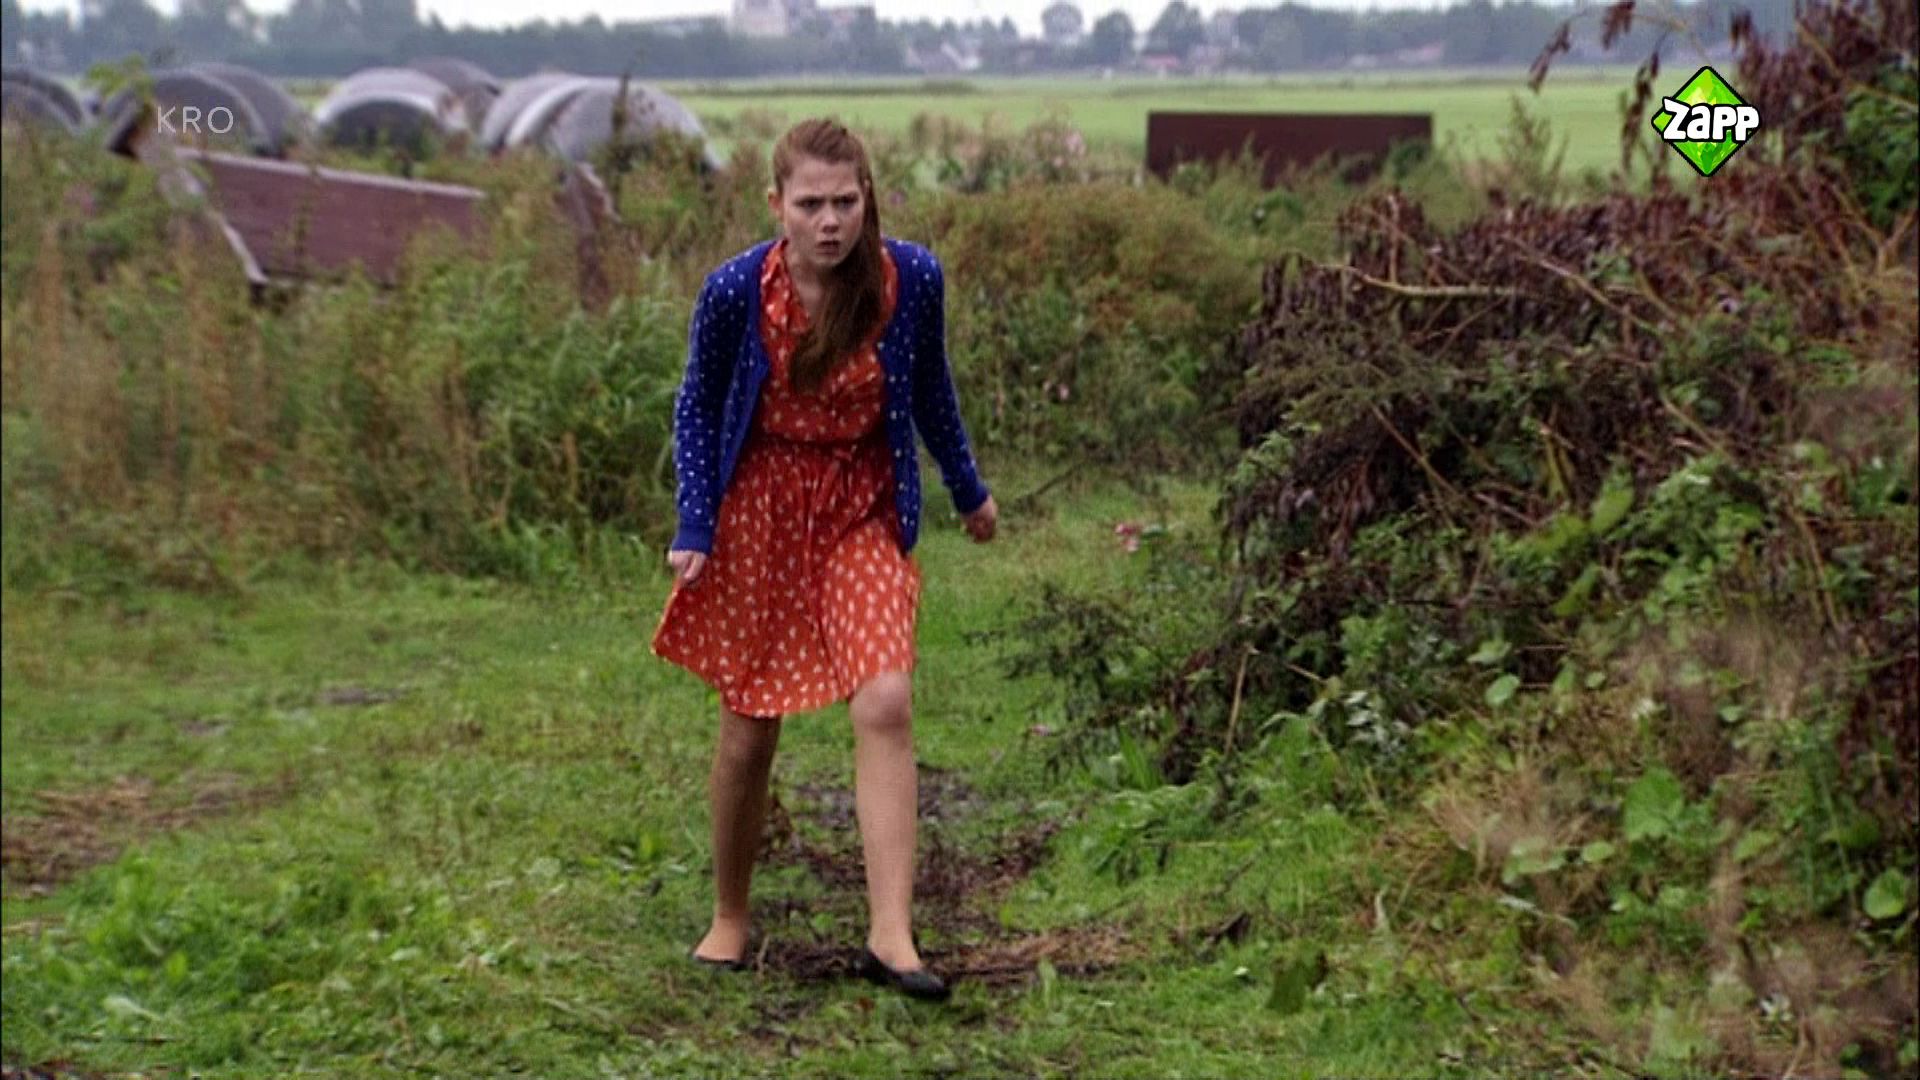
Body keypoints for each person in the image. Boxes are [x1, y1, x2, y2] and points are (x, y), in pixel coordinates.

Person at [651, 118, 998, 1003]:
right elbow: (697, 407)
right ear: (778, 206)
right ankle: (730, 914)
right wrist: (696, 524)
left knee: (885, 697)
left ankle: (891, 935)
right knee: (749, 726)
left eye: (846, 201)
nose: (831, 221)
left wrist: (967, 489)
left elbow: (932, 390)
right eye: (811, 204)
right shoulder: (735, 291)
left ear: (867, 197)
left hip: (860, 508)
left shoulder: (909, 280)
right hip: (760, 514)